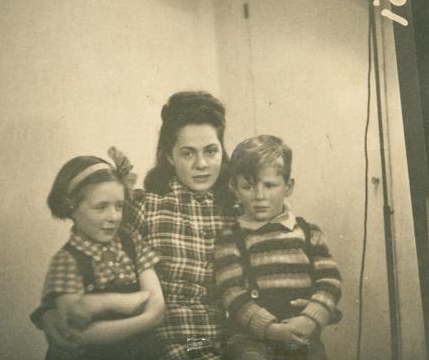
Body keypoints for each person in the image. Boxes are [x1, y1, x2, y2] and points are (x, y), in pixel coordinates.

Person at [123, 91, 236, 360]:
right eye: (188, 153)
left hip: (232, 341)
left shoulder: (236, 210)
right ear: (170, 157)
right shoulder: (144, 207)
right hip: (172, 342)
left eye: (211, 151)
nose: (202, 164)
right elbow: (96, 260)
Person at [214, 135, 342, 360]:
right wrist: (272, 329)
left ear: (288, 186)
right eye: (248, 187)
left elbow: (329, 282)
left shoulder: (309, 232)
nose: (259, 196)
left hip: (301, 331)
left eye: (270, 185)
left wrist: (309, 319)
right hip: (251, 338)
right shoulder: (231, 237)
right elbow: (232, 293)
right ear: (234, 188)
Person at [38, 149, 165, 360]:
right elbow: (76, 335)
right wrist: (138, 311)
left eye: (119, 206)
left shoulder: (132, 244)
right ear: (71, 207)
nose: (113, 216)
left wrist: (100, 303)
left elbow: (157, 309)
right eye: (101, 207)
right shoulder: (66, 261)